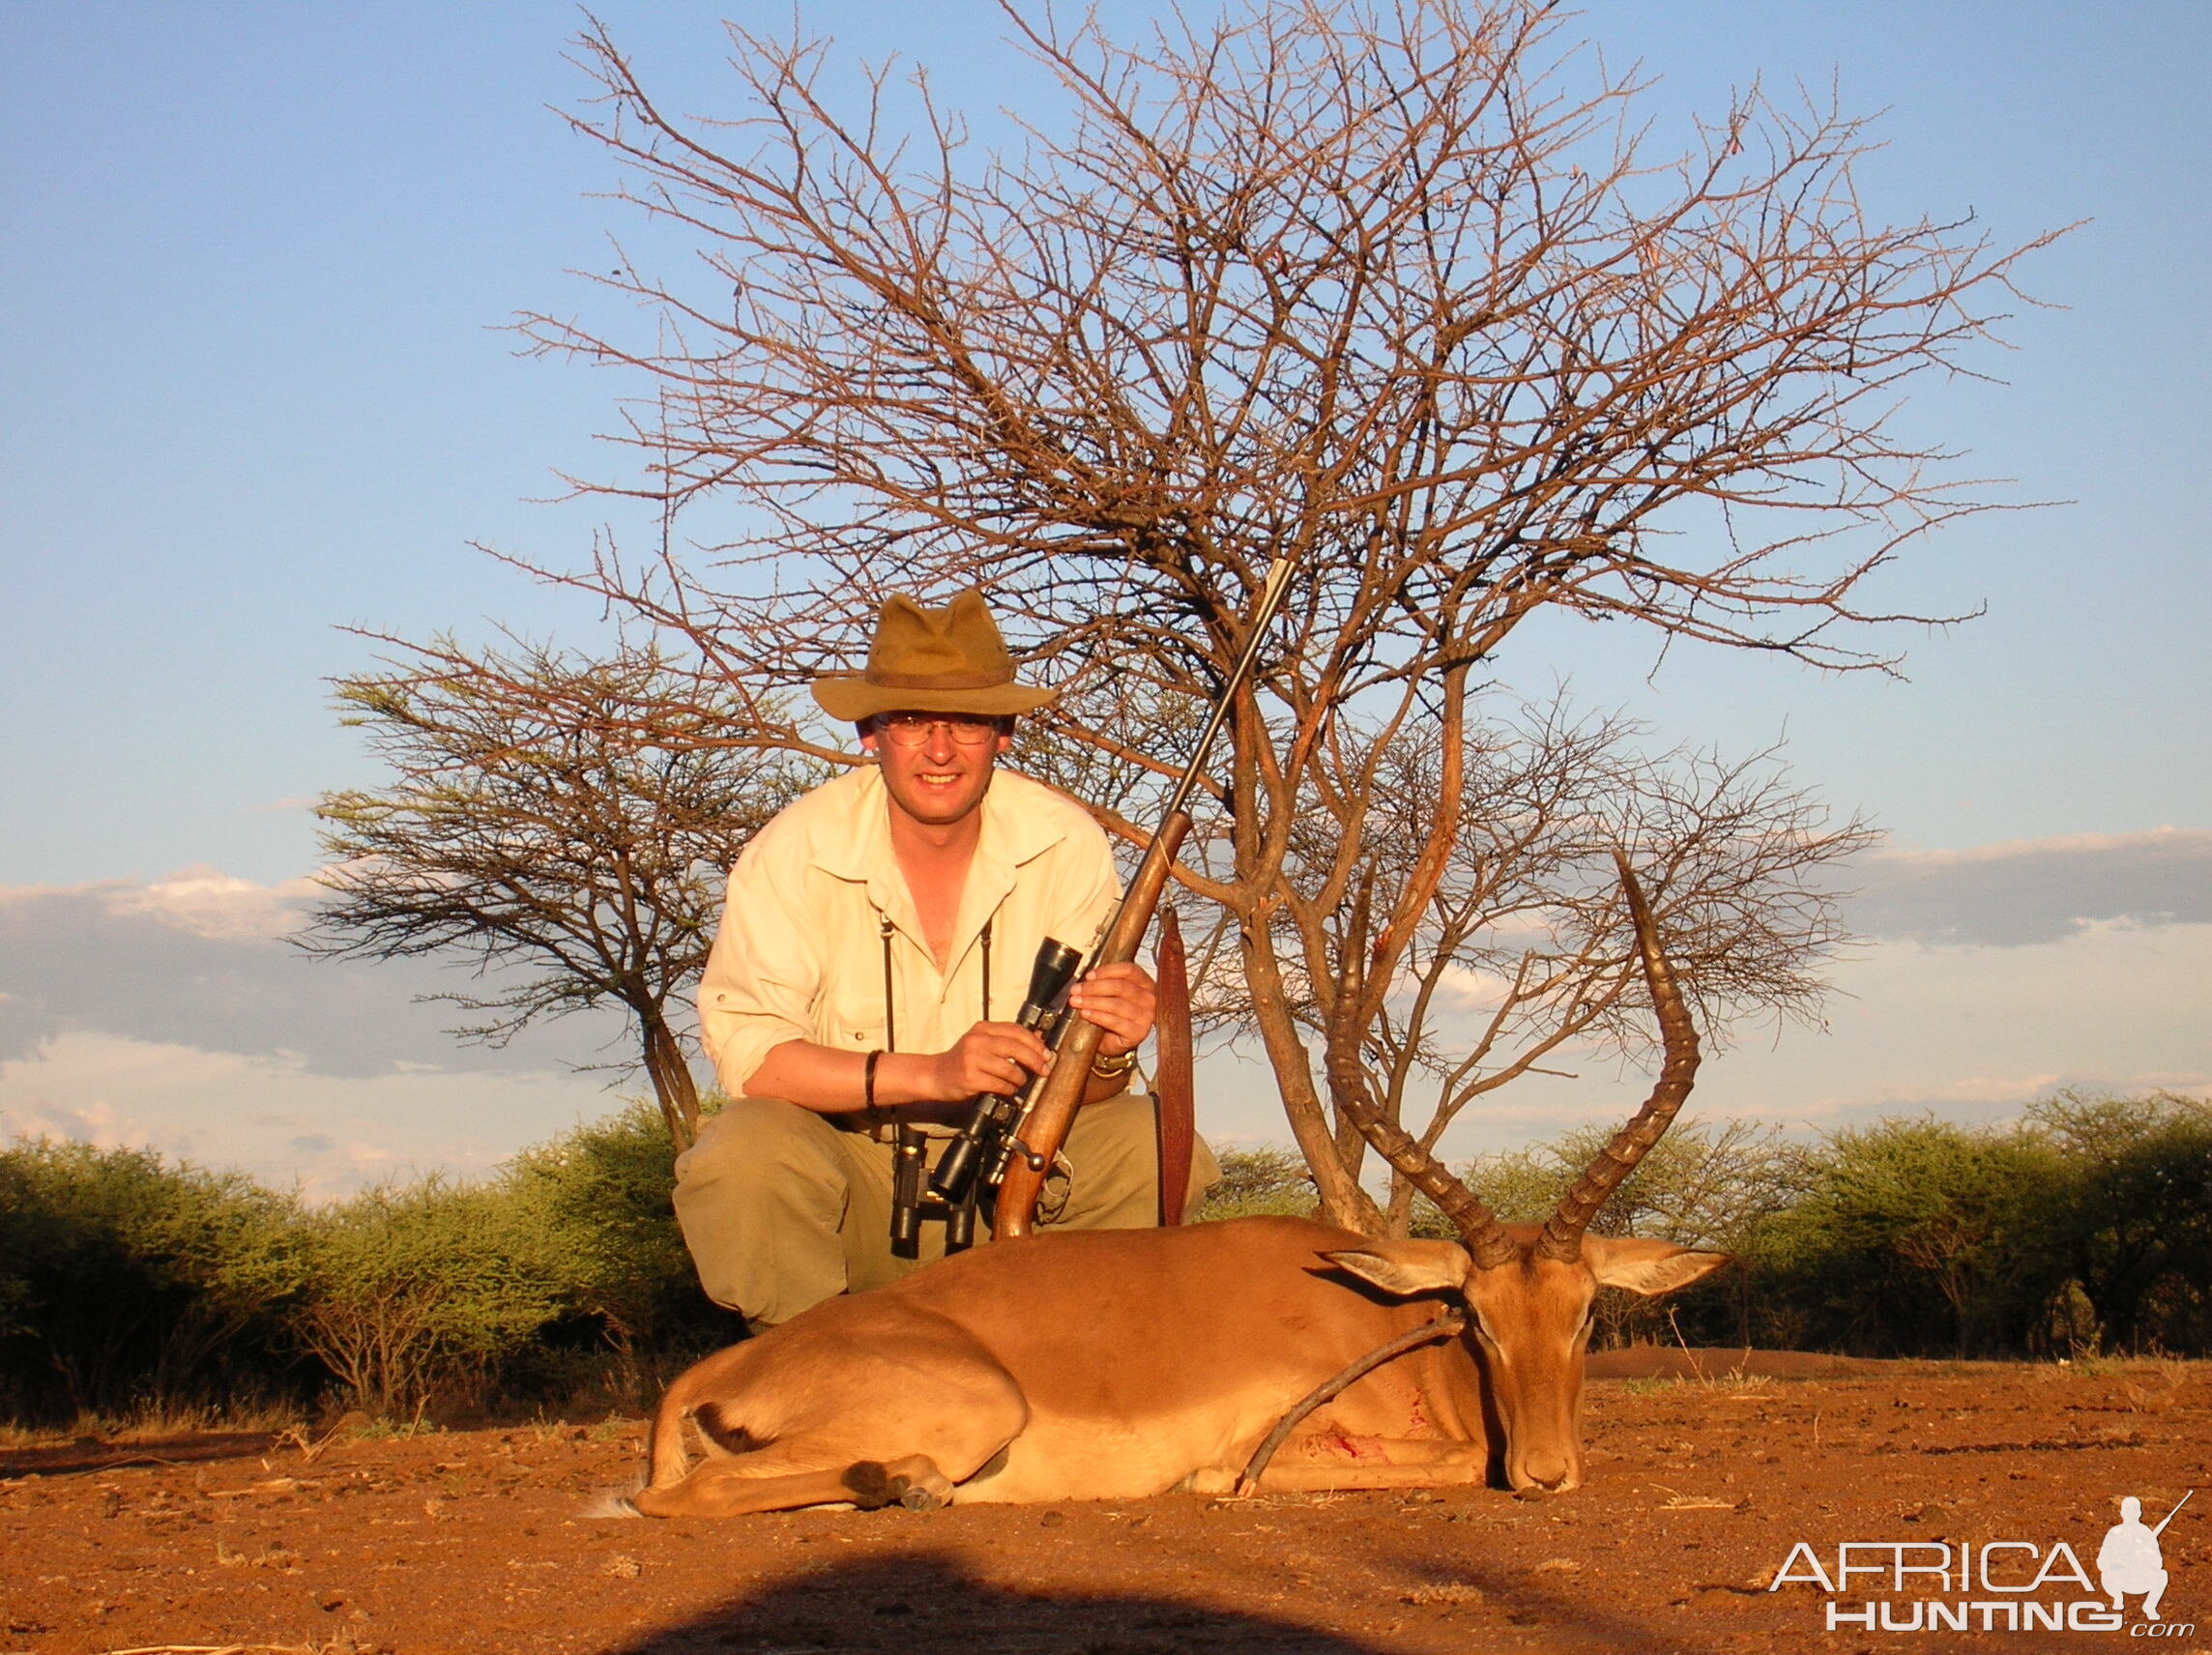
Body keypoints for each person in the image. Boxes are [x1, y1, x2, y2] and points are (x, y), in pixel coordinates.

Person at [674, 588, 1218, 1327]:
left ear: (1004, 733)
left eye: (966, 722)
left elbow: (1082, 1097)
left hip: (1016, 1183)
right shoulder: (795, 846)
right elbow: (754, 1062)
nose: (939, 749)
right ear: (870, 734)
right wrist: (931, 1074)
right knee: (742, 1152)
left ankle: (1081, 1375)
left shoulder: (1063, 840)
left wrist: (1114, 1054)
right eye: (910, 722)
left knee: (1147, 1139)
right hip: (856, 1180)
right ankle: (816, 1381)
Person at [2097, 1495, 2170, 1620]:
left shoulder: (2146, 1533)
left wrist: (2145, 1555)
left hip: (2139, 1577)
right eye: (2127, 1510)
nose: (2131, 1514)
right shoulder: (2115, 1533)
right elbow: (2102, 1561)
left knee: (2162, 1575)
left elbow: (2158, 1563)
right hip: (2119, 1578)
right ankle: (2117, 1597)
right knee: (2107, 1574)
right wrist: (2118, 1561)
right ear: (2122, 1513)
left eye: (2134, 1510)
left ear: (2139, 1513)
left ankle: (2150, 1606)